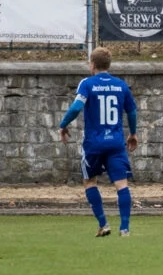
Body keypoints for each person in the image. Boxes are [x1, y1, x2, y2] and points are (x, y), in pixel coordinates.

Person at [57, 48, 137, 237]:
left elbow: (76, 107)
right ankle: (125, 228)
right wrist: (133, 133)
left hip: (94, 143)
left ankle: (103, 224)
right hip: (115, 143)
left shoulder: (87, 84)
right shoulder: (121, 85)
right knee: (121, 184)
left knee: (89, 181)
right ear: (108, 64)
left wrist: (63, 125)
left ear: (92, 64)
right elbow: (132, 111)